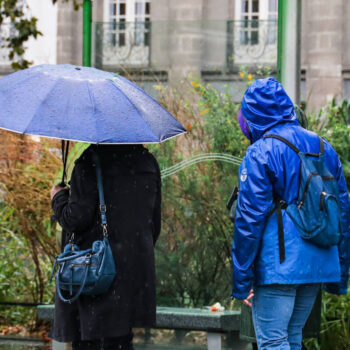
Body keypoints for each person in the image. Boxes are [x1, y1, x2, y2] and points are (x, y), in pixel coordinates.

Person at [232, 78, 350, 350]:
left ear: (253, 116)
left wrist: (241, 281)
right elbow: (342, 210)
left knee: (273, 341)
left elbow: (249, 221)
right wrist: (341, 272)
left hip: (280, 265)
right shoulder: (324, 147)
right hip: (318, 261)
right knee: (292, 338)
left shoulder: (260, 152)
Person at [50, 144, 161, 350]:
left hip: (95, 274)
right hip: (133, 271)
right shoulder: (147, 162)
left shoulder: (90, 162)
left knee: (89, 341)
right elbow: (154, 223)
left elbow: (75, 219)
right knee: (120, 340)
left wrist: (58, 197)